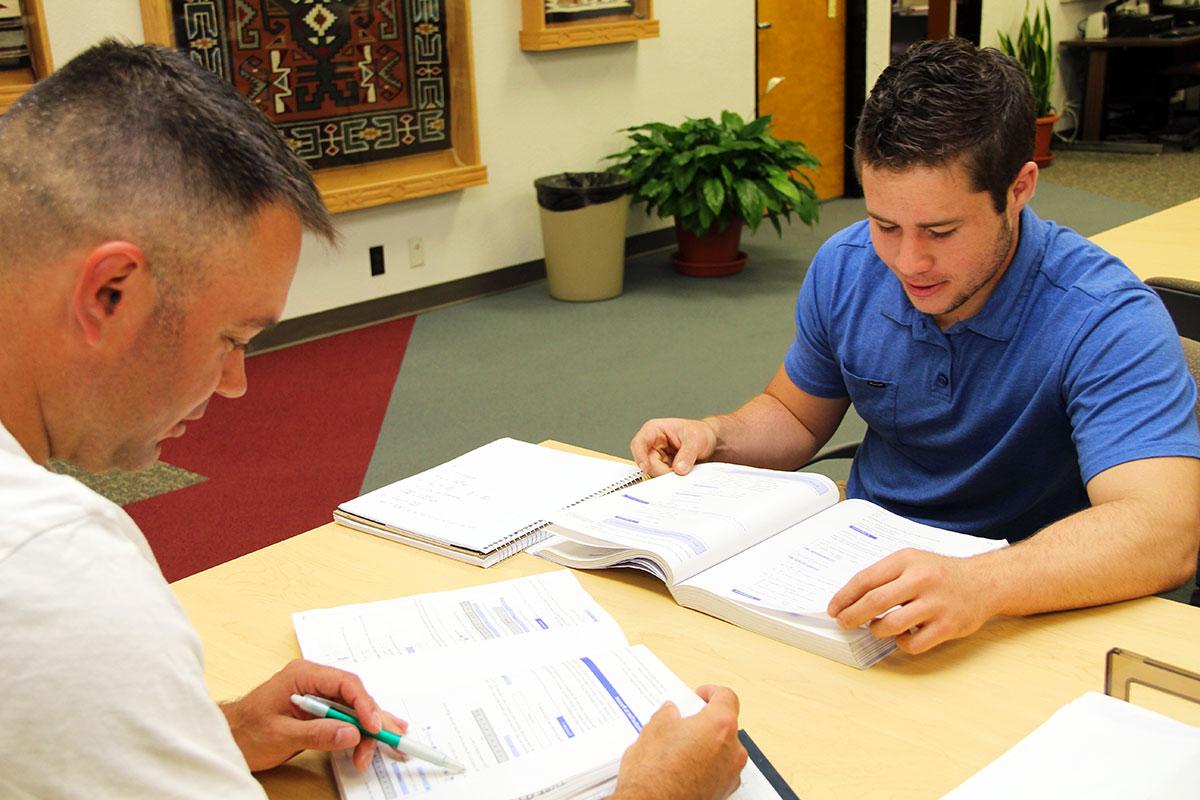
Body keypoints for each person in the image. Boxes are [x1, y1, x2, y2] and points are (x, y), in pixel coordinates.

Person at [0, 41, 745, 799]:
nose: (234, 385)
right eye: (232, 339)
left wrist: (211, 731)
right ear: (110, 293)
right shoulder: (53, 572)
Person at [631, 38, 1200, 657]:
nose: (908, 262)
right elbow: (794, 415)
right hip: (857, 581)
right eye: (885, 225)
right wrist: (716, 435)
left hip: (1022, 607)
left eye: (941, 230)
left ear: (1019, 188)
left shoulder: (1105, 317)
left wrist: (983, 584)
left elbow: (1162, 530)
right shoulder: (846, 266)